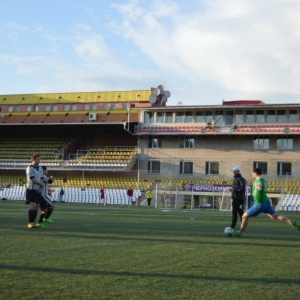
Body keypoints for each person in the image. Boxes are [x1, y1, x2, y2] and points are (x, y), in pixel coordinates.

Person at [233, 168, 300, 236]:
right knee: (274, 216)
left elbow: (259, 185)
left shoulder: (259, 180)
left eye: (252, 173)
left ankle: (239, 232)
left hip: (259, 204)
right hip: (266, 202)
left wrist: (259, 188)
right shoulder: (263, 179)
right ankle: (291, 222)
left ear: (255, 173)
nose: (252, 174)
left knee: (244, 216)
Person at [25, 154, 44, 228]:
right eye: (38, 159)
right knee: (33, 206)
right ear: (33, 160)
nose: (39, 161)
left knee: (37, 206)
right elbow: (32, 179)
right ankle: (30, 223)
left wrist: (41, 187)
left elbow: (42, 178)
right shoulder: (30, 168)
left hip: (38, 189)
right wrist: (41, 185)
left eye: (39, 159)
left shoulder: (40, 168)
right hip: (31, 189)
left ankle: (32, 223)